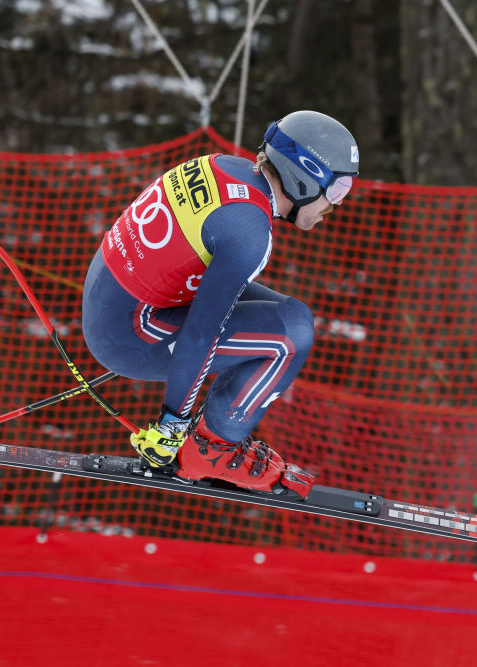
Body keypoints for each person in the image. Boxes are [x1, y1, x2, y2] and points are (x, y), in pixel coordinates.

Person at [81, 111, 359, 499]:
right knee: (290, 337)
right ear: (304, 177)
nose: (337, 205)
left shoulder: (224, 167)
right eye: (338, 190)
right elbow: (201, 333)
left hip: (116, 307)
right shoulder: (249, 232)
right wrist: (171, 425)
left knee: (291, 316)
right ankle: (212, 450)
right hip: (129, 334)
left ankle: (214, 435)